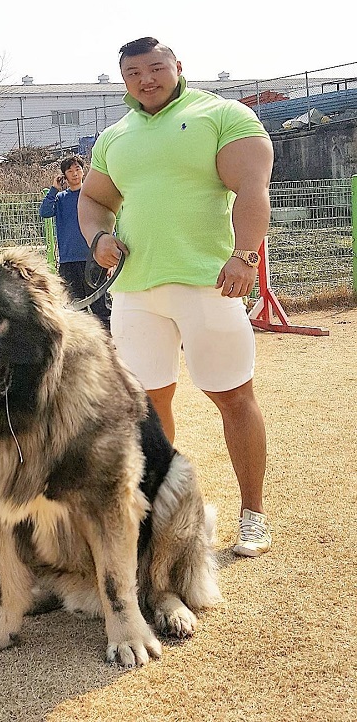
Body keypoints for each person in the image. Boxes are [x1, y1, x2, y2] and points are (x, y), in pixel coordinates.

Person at [78, 37, 274, 557]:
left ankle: (252, 513)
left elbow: (253, 187)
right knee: (146, 406)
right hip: (135, 293)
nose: (146, 78)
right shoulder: (114, 136)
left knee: (233, 397)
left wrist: (246, 255)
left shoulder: (222, 114)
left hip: (209, 284)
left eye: (156, 67)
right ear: (123, 80)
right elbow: (94, 199)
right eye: (134, 72)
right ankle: (161, 515)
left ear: (178, 67)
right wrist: (98, 237)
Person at [39, 155, 111, 328]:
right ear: (64, 175)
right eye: (70, 171)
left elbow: (107, 220)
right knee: (75, 309)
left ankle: (109, 345)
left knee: (101, 307)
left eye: (77, 169)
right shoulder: (61, 198)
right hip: (68, 262)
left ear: (83, 171)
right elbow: (45, 212)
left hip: (92, 259)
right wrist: (54, 189)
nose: (75, 174)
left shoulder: (92, 195)